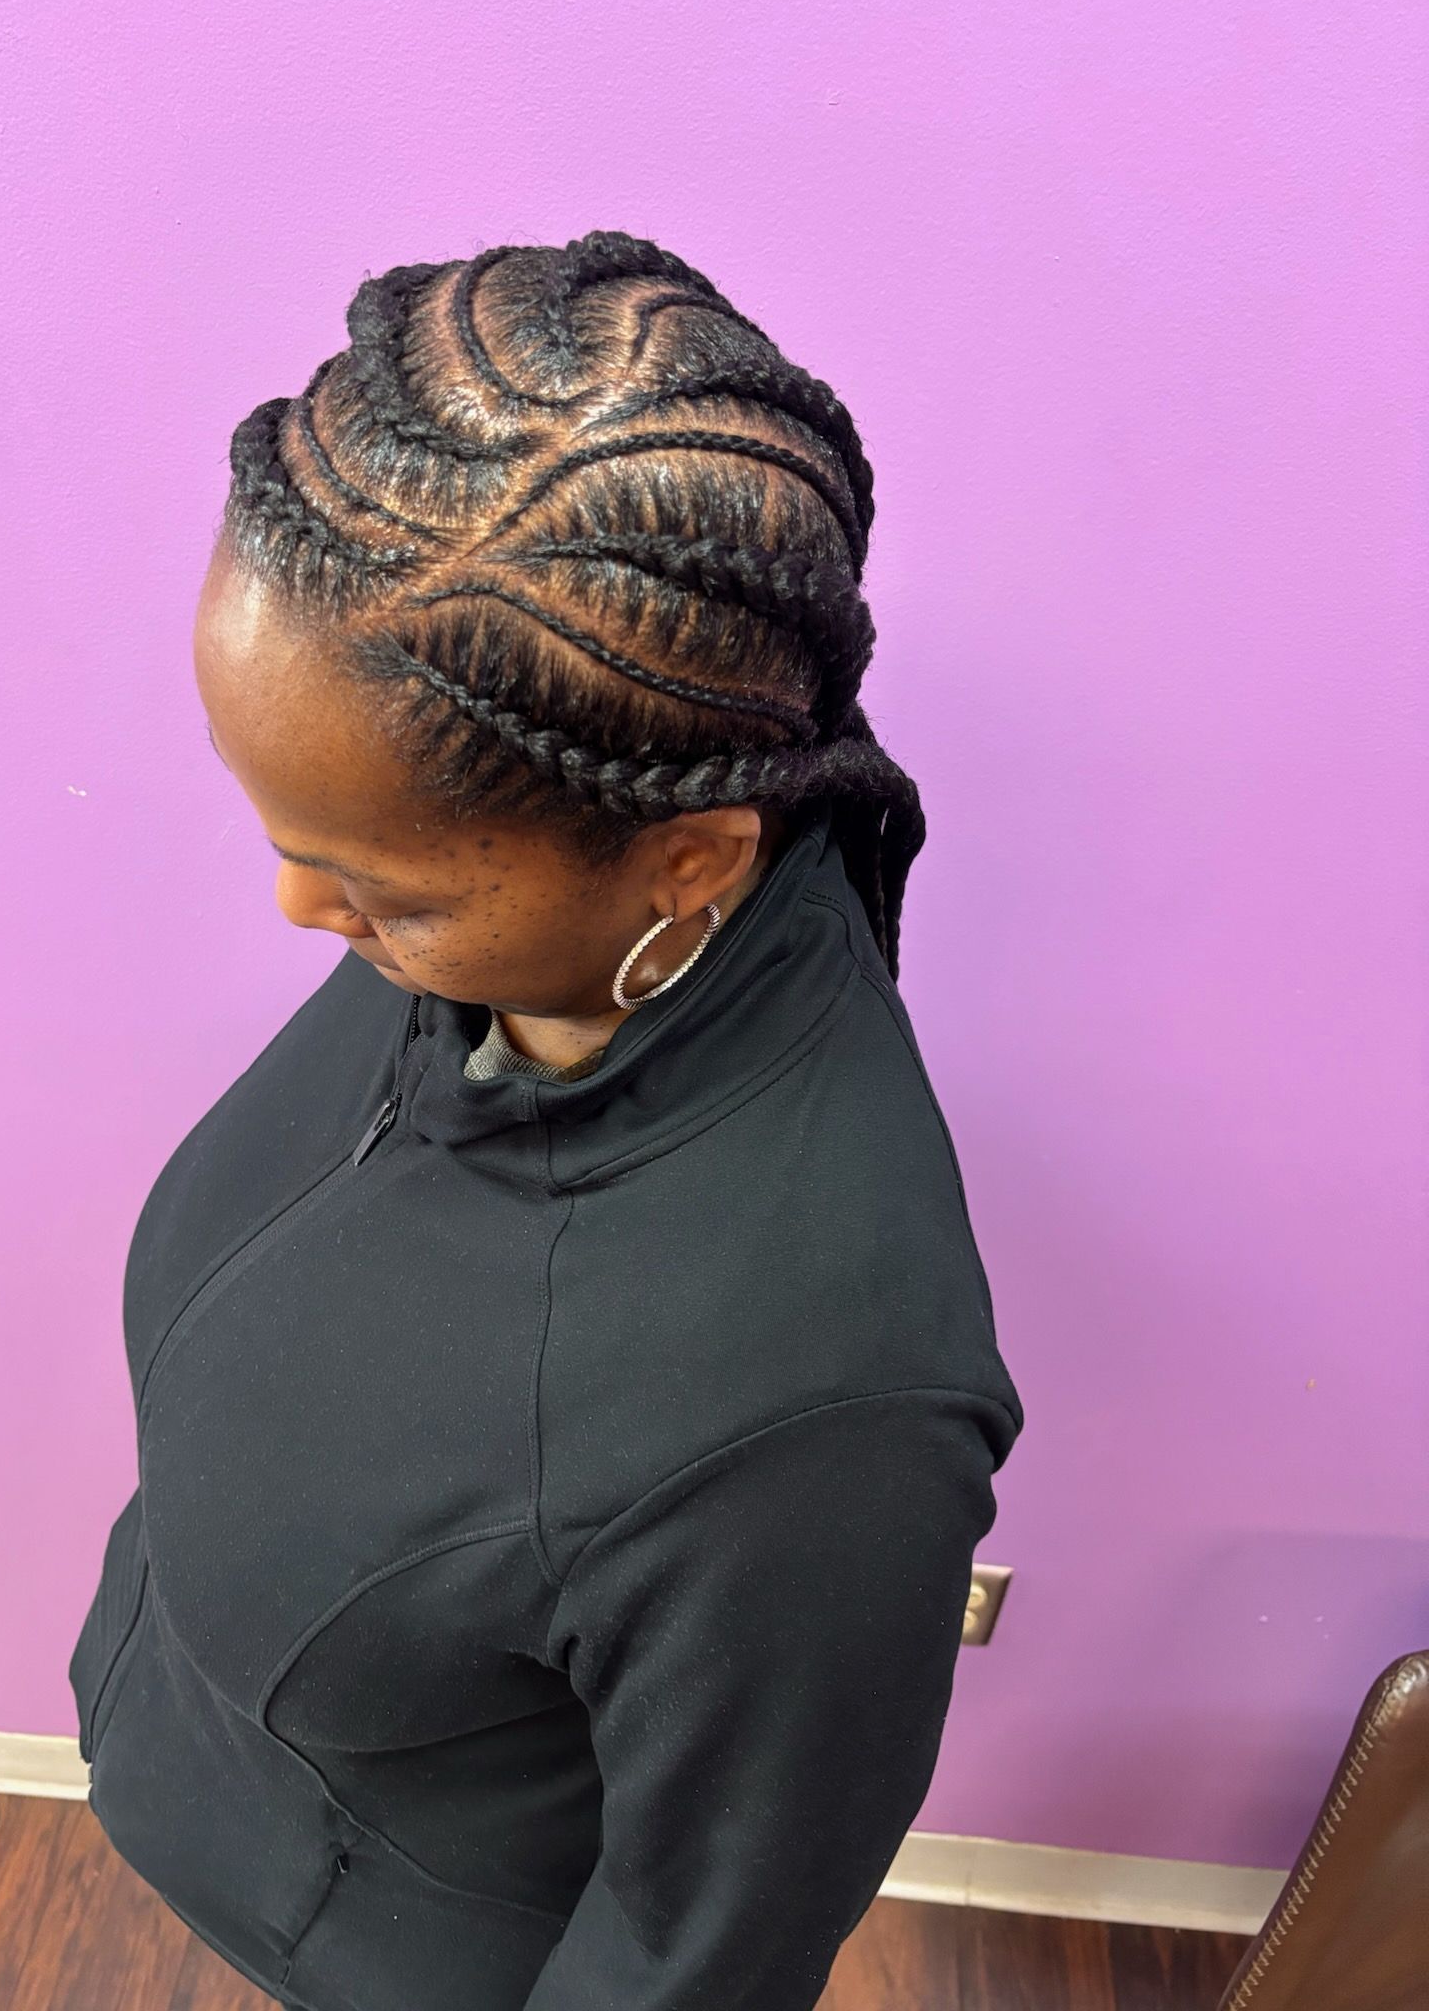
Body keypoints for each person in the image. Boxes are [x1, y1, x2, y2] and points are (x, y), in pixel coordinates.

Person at [68, 229, 1023, 2011]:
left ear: (687, 856)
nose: (301, 918)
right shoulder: (547, 888)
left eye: (379, 889)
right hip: (223, 1788)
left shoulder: (815, 1414)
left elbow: (694, 1956)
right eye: (287, 839)